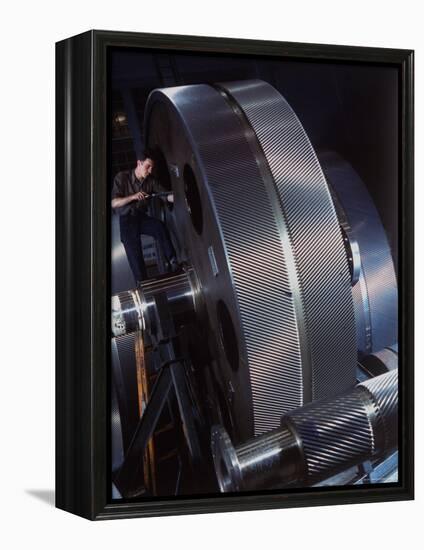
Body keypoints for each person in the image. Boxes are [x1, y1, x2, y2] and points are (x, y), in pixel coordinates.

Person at [111, 151, 178, 285]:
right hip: (127, 220)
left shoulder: (151, 181)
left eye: (152, 167)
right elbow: (114, 202)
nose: (150, 170)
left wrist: (179, 195)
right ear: (139, 163)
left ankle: (173, 262)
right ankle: (143, 286)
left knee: (159, 227)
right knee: (136, 258)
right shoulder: (122, 177)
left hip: (140, 218)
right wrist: (133, 197)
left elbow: (166, 195)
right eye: (148, 166)